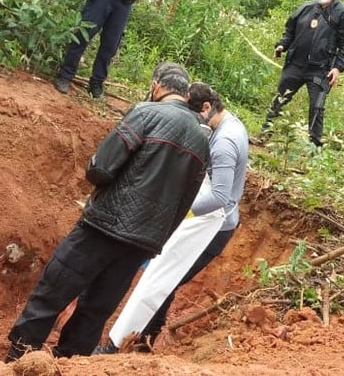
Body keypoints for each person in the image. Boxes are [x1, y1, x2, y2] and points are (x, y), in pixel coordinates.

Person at [6, 63, 210, 361]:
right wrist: (156, 239)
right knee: (97, 309)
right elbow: (184, 203)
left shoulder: (145, 112)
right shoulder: (202, 141)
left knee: (54, 289)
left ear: (157, 86)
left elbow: (100, 169)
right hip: (141, 242)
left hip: (103, 226)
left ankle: (18, 357)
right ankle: (72, 363)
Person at [95, 82, 249, 354]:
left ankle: (126, 343)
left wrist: (178, 213)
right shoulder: (228, 124)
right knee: (164, 280)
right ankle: (145, 339)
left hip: (212, 226)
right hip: (208, 220)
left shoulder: (224, 143)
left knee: (162, 280)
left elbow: (220, 197)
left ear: (206, 108)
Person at [257, 0, 344, 147]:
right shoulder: (305, 8)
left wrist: (338, 68)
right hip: (296, 63)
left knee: (316, 108)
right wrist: (282, 45)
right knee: (280, 98)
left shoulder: (341, 13)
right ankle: (264, 134)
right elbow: (290, 31)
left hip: (321, 68)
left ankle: (314, 148)